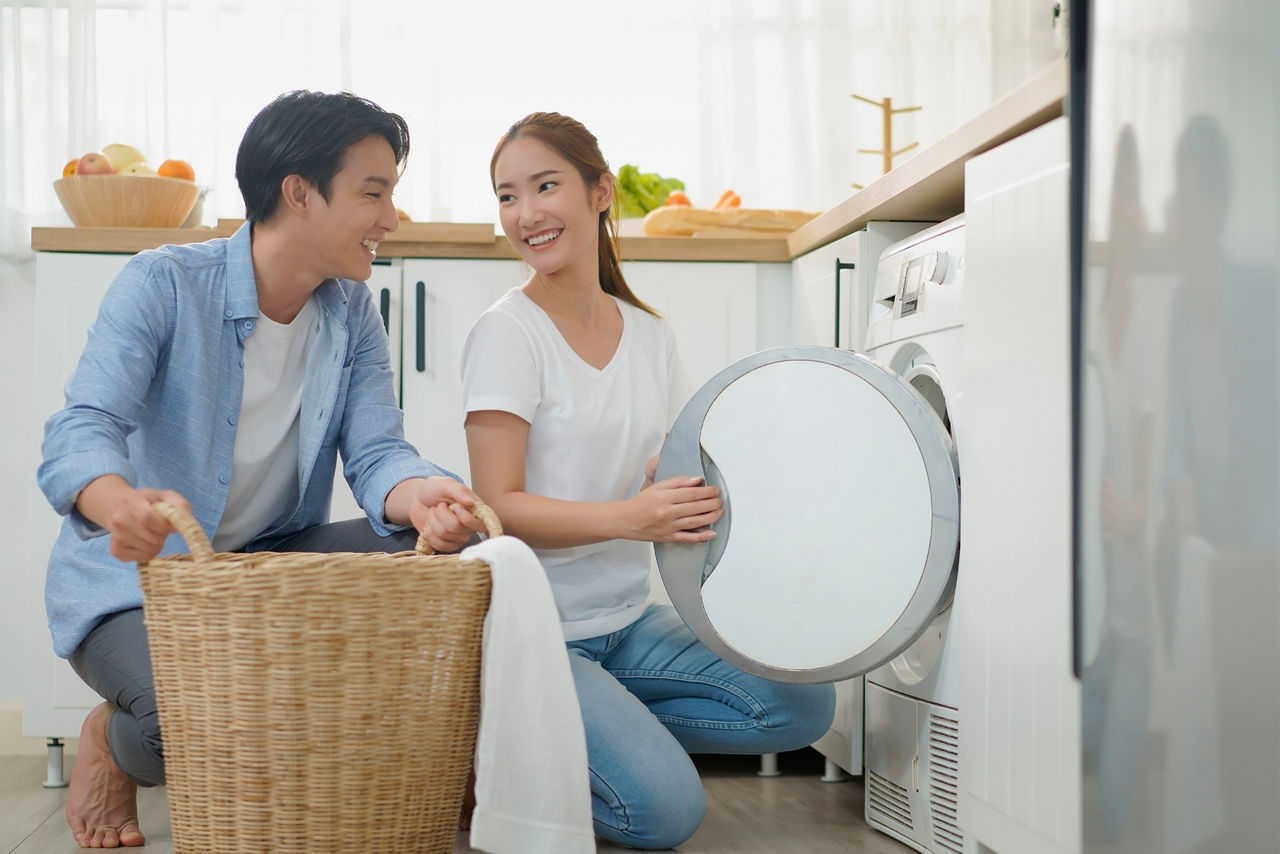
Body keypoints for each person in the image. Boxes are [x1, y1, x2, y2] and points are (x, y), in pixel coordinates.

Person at [38, 90, 488, 849]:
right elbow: (83, 426)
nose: (391, 218)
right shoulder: (165, 284)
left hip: (264, 571)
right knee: (212, 714)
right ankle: (113, 740)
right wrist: (116, 503)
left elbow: (379, 453)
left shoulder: (352, 312)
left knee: (452, 557)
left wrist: (424, 499)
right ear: (299, 194)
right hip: (141, 587)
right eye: (373, 193)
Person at [461, 111, 835, 849]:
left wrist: (714, 479)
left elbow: (684, 461)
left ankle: (567, 729)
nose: (526, 213)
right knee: (663, 813)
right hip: (538, 633)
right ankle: (487, 762)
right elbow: (495, 506)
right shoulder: (508, 333)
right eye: (507, 195)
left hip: (626, 623)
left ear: (600, 193)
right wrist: (632, 516)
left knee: (803, 709)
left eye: (545, 186)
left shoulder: (650, 336)